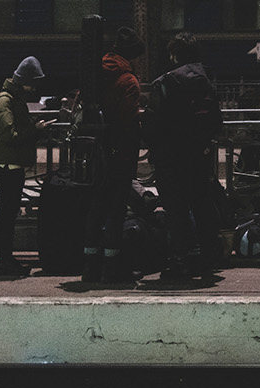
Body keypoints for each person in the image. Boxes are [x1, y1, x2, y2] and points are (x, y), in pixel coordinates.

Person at [143, 32, 225, 282]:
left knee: (176, 210)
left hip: (171, 158)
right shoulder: (205, 80)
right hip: (199, 156)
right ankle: (206, 259)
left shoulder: (166, 82)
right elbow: (216, 120)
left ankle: (180, 262)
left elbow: (152, 123)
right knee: (201, 206)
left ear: (174, 55)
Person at [83, 27, 145, 284]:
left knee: (96, 208)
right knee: (117, 209)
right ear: (132, 55)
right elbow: (129, 119)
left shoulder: (97, 70)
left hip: (98, 151)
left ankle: (90, 268)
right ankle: (112, 267)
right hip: (120, 151)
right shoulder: (128, 80)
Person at [0, 56, 51, 276]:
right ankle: (4, 259)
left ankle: (5, 258)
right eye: (31, 83)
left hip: (11, 163)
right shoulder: (4, 101)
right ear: (22, 80)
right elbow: (9, 135)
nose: (33, 88)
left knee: (8, 212)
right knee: (7, 213)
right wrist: (36, 130)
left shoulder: (13, 99)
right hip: (7, 164)